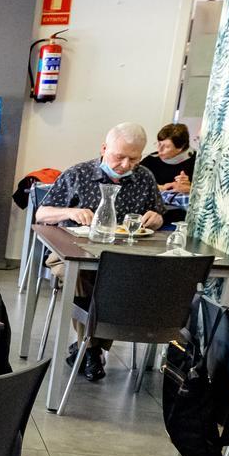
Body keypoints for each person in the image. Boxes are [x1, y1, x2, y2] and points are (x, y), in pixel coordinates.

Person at [37, 122, 165, 381]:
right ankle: (93, 350)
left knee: (115, 280)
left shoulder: (145, 178)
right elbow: (42, 213)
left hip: (124, 257)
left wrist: (155, 218)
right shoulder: (79, 174)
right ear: (104, 148)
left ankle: (86, 349)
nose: (126, 165)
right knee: (87, 280)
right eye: (120, 156)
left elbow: (158, 214)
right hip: (70, 253)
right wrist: (70, 212)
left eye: (134, 158)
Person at [140, 123, 195, 224]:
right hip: (154, 215)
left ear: (181, 147)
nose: (159, 150)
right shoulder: (150, 161)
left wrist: (190, 189)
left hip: (183, 219)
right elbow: (136, 183)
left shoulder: (197, 163)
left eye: (166, 147)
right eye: (159, 144)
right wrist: (163, 187)